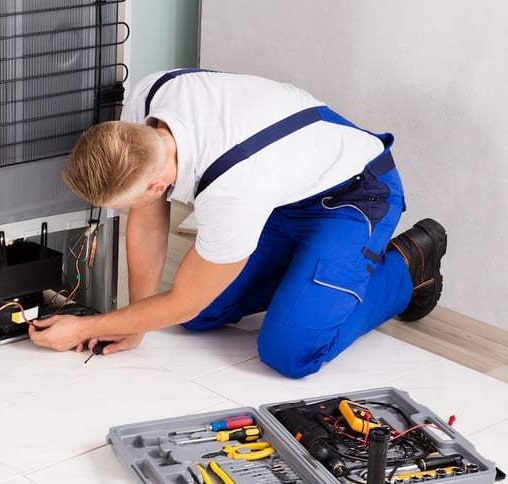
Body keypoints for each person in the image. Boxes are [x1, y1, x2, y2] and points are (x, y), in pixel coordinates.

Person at [28, 69, 447, 378]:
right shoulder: (150, 99)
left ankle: (408, 267)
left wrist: (88, 327)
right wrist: (136, 321)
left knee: (291, 353)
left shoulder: (233, 189)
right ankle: (306, 275)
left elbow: (183, 299)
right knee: (192, 313)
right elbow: (147, 218)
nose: (127, 210)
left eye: (126, 203)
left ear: (156, 184)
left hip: (354, 195)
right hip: (282, 193)